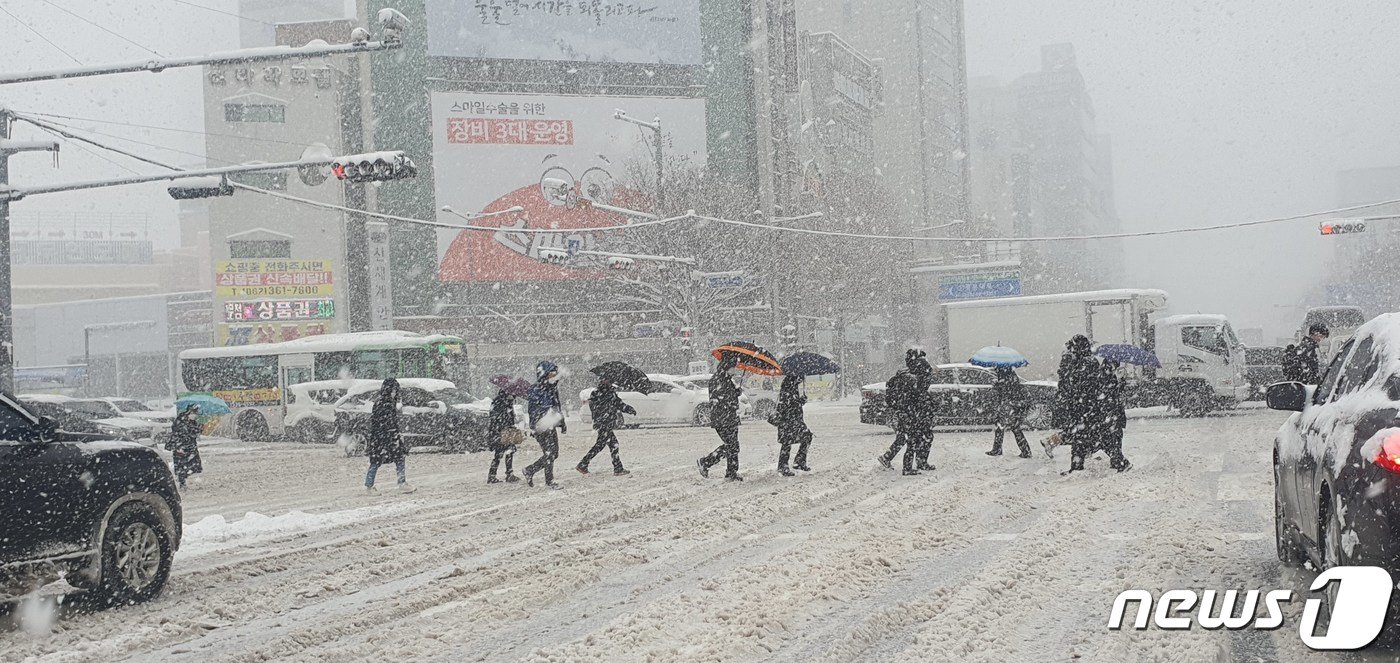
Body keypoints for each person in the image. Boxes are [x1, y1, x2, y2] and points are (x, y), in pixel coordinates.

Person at [879, 349, 933, 475]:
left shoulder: (903, 374)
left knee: (905, 437)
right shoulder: (914, 376)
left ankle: (888, 458)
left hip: (903, 412)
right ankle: (910, 466)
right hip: (910, 412)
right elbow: (919, 394)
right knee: (915, 438)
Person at [1055, 335, 1100, 475]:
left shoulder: (1087, 362)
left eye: (1074, 347)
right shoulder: (1083, 361)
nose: (1073, 350)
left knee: (1081, 437)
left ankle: (1118, 460)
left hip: (1084, 406)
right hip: (1081, 406)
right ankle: (1077, 465)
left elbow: (1082, 384)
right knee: (1080, 437)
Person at [697, 356, 744, 481]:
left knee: (732, 445)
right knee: (731, 445)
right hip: (723, 418)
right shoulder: (719, 380)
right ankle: (707, 463)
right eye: (733, 367)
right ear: (727, 367)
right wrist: (732, 398)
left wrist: (736, 392)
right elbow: (719, 399)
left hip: (728, 417)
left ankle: (730, 472)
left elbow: (727, 396)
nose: (735, 370)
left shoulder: (726, 379)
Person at [577, 378, 636, 476]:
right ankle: (584, 464)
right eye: (605, 380)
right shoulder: (599, 393)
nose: (607, 382)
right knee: (608, 445)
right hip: (603, 424)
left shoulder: (609, 393)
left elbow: (619, 404)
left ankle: (616, 468)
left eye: (608, 380)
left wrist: (629, 409)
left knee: (606, 445)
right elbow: (595, 407)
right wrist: (603, 414)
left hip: (605, 423)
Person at [365, 378, 415, 494]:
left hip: (380, 437)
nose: (395, 393)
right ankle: (401, 483)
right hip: (386, 437)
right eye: (394, 390)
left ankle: (369, 485)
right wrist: (394, 434)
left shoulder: (381, 402)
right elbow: (387, 422)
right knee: (397, 459)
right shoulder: (386, 404)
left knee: (378, 461)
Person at [524, 361, 565, 489]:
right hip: (541, 426)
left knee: (554, 453)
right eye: (552, 374)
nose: (554, 377)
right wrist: (540, 423)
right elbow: (536, 410)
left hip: (550, 424)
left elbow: (556, 407)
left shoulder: (552, 389)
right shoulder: (537, 389)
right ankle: (549, 481)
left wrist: (561, 422)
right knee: (549, 453)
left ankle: (530, 470)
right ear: (544, 375)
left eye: (555, 374)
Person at [1094, 359, 1132, 472]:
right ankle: (1119, 462)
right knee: (1114, 438)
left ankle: (1117, 461)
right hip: (1112, 413)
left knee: (1112, 438)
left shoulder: (1104, 375)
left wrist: (1120, 383)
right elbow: (1112, 393)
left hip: (1110, 413)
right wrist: (1120, 383)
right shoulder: (1107, 377)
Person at [986, 365, 1032, 458]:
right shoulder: (1008, 375)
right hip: (1011, 405)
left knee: (1012, 427)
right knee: (1005, 426)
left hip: (1011, 405)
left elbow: (1008, 390)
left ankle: (1025, 451)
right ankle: (998, 449)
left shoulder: (1006, 376)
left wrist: (998, 385)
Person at [774, 375, 811, 476]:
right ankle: (783, 466)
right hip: (788, 421)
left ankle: (799, 462)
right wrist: (799, 401)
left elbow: (792, 403)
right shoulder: (788, 386)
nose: (801, 379)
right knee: (787, 442)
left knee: (806, 436)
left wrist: (800, 401)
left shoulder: (792, 386)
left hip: (795, 420)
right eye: (800, 377)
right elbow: (787, 404)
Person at [486, 382, 522, 484]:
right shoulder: (501, 401)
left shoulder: (504, 400)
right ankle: (499, 475)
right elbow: (497, 417)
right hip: (501, 431)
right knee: (502, 453)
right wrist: (504, 426)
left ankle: (499, 474)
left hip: (503, 430)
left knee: (506, 452)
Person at [166, 404, 203, 489]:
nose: (195, 415)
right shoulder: (181, 420)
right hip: (181, 446)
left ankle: (184, 477)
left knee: (193, 464)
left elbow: (193, 432)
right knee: (181, 465)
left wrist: (198, 429)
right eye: (194, 412)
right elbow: (180, 432)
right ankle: (182, 482)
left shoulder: (191, 421)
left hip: (190, 446)